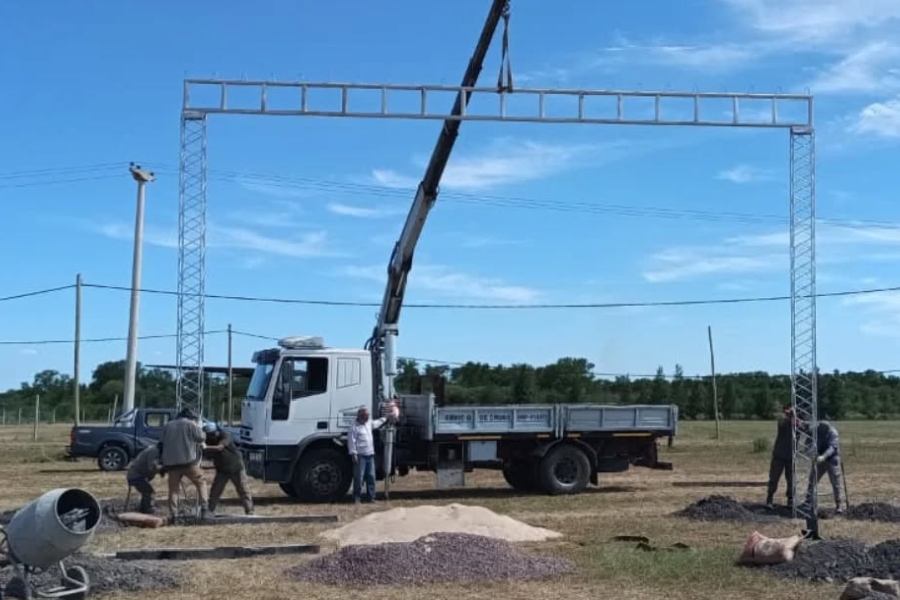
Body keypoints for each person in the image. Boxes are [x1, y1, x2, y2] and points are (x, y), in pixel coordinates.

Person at [160, 408, 210, 522]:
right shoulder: (190, 424)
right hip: (188, 462)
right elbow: (201, 437)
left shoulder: (168, 425)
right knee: (201, 482)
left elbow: (162, 442)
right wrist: (199, 426)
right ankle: (204, 509)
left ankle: (174, 515)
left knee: (173, 490)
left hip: (171, 464)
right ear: (191, 417)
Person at [204, 423, 254, 516]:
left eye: (213, 433)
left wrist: (205, 447)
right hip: (222, 469)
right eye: (209, 434)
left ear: (217, 431)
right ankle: (210, 510)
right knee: (215, 491)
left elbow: (220, 447)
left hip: (236, 467)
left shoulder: (225, 435)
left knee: (243, 489)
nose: (212, 436)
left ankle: (249, 510)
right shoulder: (208, 440)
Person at [800, 420, 844, 514]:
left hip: (832, 459)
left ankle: (839, 504)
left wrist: (823, 457)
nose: (821, 430)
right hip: (819, 458)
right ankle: (808, 501)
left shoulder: (833, 433)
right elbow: (808, 433)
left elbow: (832, 448)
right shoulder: (817, 430)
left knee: (835, 482)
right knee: (812, 479)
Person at [347, 406, 388, 504]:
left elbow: (376, 423)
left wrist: (385, 418)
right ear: (360, 416)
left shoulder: (368, 423)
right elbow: (351, 441)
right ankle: (356, 497)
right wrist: (354, 454)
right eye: (366, 416)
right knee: (359, 477)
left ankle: (371, 497)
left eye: (368, 416)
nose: (367, 418)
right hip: (360, 456)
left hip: (370, 455)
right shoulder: (354, 426)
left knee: (371, 477)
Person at [765, 406, 796, 510]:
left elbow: (805, 428)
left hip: (791, 457)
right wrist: (790, 415)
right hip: (779, 455)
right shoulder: (782, 421)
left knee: (791, 480)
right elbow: (782, 423)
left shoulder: (797, 423)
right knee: (774, 478)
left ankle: (790, 500)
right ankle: (769, 499)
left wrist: (795, 417)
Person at [126, 443, 163, 514]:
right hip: (136, 476)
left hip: (137, 475)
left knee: (146, 491)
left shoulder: (154, 449)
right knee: (149, 492)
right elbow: (152, 467)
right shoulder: (154, 451)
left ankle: (142, 509)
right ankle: (149, 510)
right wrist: (163, 468)